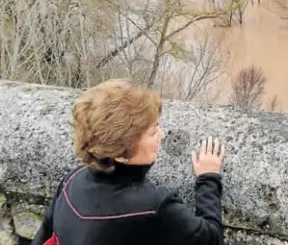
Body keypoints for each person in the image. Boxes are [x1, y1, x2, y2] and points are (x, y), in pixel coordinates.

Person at [31, 79, 226, 245]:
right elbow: (211, 238)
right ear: (121, 152)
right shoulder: (154, 207)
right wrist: (208, 179)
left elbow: (44, 236)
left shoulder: (71, 181)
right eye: (152, 131)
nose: (162, 135)